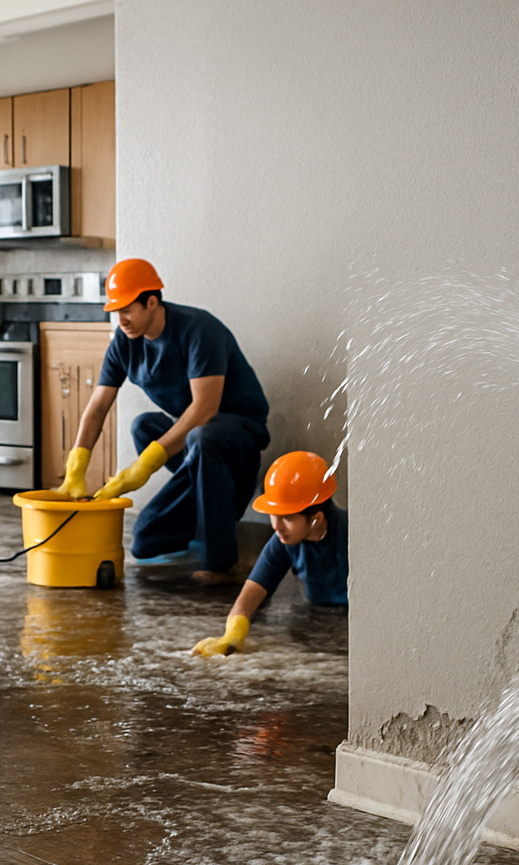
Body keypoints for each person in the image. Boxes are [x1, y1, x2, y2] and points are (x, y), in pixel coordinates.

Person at [57, 258, 270, 581]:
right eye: (116, 311)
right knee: (144, 535)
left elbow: (204, 410)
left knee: (202, 436)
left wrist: (145, 465)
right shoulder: (124, 343)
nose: (121, 319)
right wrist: (77, 465)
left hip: (236, 439)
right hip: (201, 448)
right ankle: (209, 510)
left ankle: (219, 562)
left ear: (152, 302)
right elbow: (98, 405)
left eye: (127, 309)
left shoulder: (200, 330)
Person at [193, 451, 347, 657]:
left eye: (287, 518)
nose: (276, 526)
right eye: (273, 516)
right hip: (320, 620)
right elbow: (249, 596)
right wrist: (232, 635)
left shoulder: (352, 536)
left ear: (316, 519)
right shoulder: (285, 539)